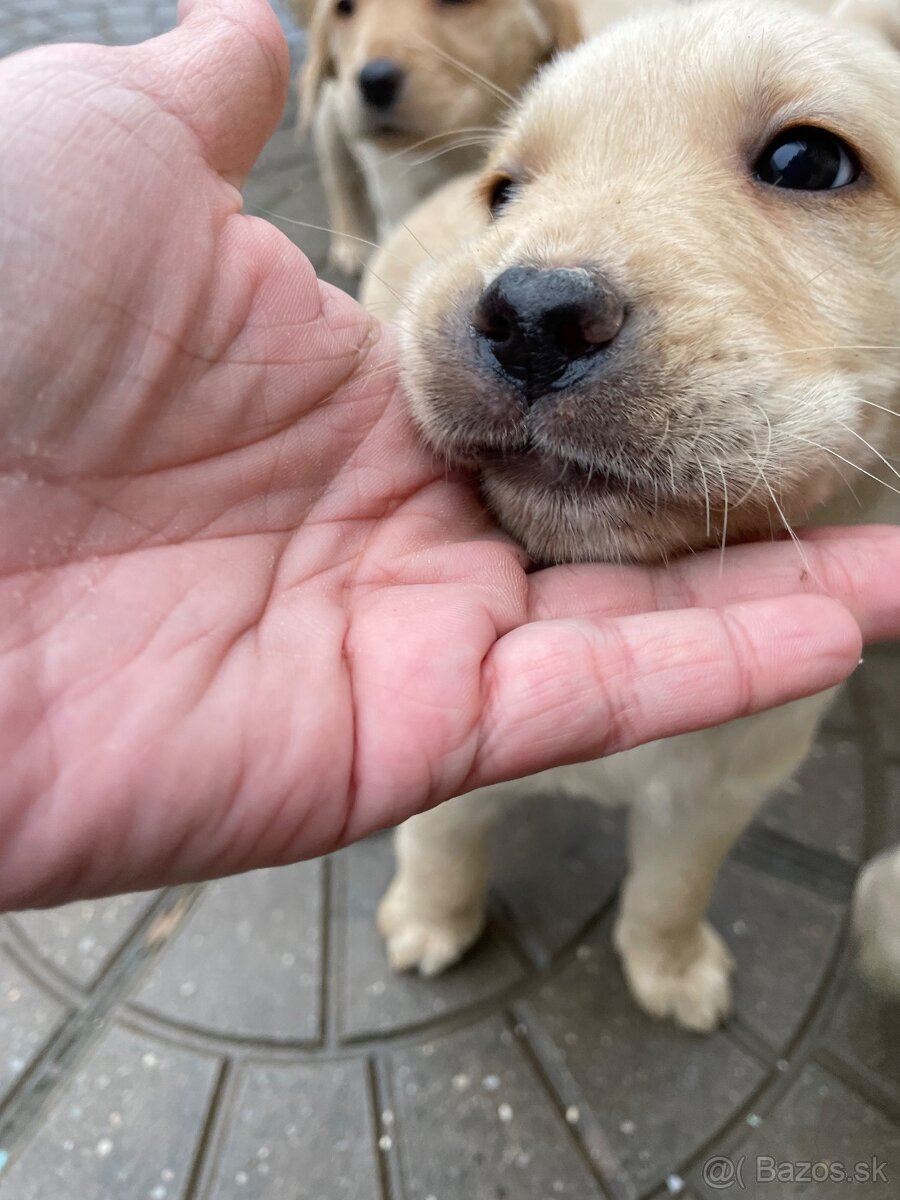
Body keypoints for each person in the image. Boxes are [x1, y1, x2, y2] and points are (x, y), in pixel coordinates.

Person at [0, 0, 897, 912]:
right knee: (461, 777)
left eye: (805, 163)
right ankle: (437, 891)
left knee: (720, 788)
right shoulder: (443, 589)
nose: (540, 278)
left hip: (779, 610)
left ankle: (653, 933)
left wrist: (663, 934)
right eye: (509, 192)